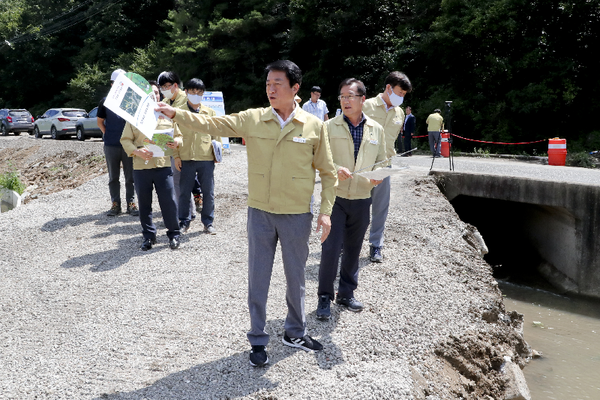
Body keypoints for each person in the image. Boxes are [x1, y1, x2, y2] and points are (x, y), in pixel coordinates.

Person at [155, 60, 338, 368]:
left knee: (296, 278)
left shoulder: (313, 125)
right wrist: (176, 113)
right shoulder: (253, 119)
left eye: (278, 83)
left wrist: (326, 212)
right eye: (268, 83)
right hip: (261, 213)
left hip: (296, 215)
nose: (271, 89)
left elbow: (329, 173)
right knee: (258, 278)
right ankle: (257, 338)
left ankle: (294, 331)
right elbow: (213, 125)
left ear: (295, 88)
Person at [316, 78, 386, 320]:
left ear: (362, 99)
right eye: (342, 96)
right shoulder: (329, 127)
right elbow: (319, 159)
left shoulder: (376, 129)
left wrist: (379, 175)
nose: (345, 101)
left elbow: (383, 159)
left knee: (354, 249)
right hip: (334, 197)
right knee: (331, 248)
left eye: (350, 96)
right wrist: (335, 168)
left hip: (362, 196)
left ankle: (346, 293)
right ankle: (324, 297)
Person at [362, 71, 412, 263]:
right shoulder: (366, 105)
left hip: (384, 166)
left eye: (404, 96)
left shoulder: (399, 113)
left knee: (381, 207)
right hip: (362, 164)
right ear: (388, 88)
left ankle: (376, 245)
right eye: (399, 93)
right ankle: (347, 243)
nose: (401, 98)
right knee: (356, 205)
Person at [120, 115, 182, 251]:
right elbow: (125, 140)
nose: (154, 95)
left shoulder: (167, 117)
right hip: (141, 167)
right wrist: (137, 151)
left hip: (163, 166)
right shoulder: (134, 118)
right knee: (144, 203)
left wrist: (176, 141)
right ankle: (148, 236)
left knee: (169, 202)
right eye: (151, 93)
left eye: (156, 93)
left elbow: (179, 135)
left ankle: (174, 234)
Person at [172, 78, 219, 234]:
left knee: (208, 191)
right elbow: (173, 135)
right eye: (192, 91)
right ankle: (184, 221)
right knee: (184, 192)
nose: (196, 95)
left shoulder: (209, 112)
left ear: (203, 94)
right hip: (185, 157)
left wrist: (218, 154)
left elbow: (216, 135)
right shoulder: (178, 111)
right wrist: (176, 156)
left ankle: (208, 222)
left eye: (199, 92)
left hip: (206, 157)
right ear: (186, 92)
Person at [158, 71, 204, 218]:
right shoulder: (164, 102)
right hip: (170, 147)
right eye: (162, 87)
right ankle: (185, 213)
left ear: (175, 85)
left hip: (187, 147)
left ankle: (188, 213)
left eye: (167, 86)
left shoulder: (187, 101)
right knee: (177, 183)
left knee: (185, 183)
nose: (164, 89)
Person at [97, 69, 139, 217]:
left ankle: (131, 203)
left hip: (129, 145)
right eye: (117, 83)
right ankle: (115, 204)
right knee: (113, 177)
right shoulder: (105, 101)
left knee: (131, 177)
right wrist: (107, 134)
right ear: (112, 84)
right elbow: (100, 121)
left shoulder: (132, 101)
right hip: (111, 145)